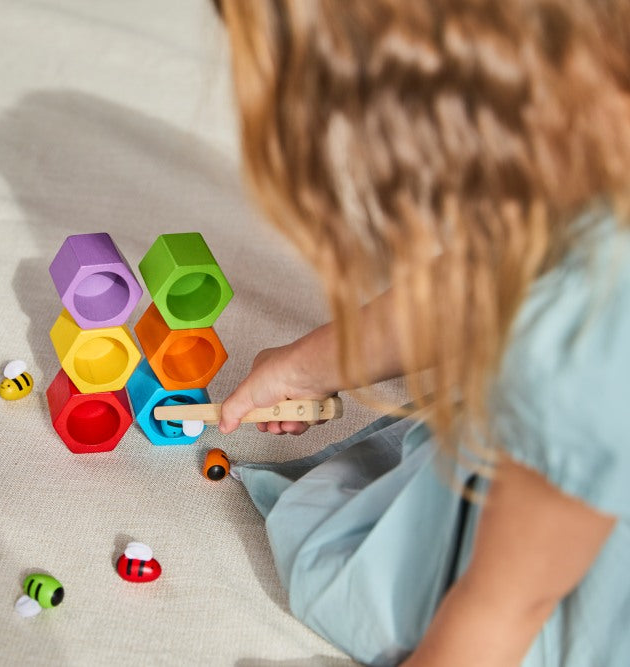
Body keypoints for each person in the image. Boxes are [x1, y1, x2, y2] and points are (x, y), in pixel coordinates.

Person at [211, 2, 630, 665]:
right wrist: (311, 365)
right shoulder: (597, 129)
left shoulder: (586, 339)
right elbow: (485, 276)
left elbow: (503, 609)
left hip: (580, 593)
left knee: (385, 590)